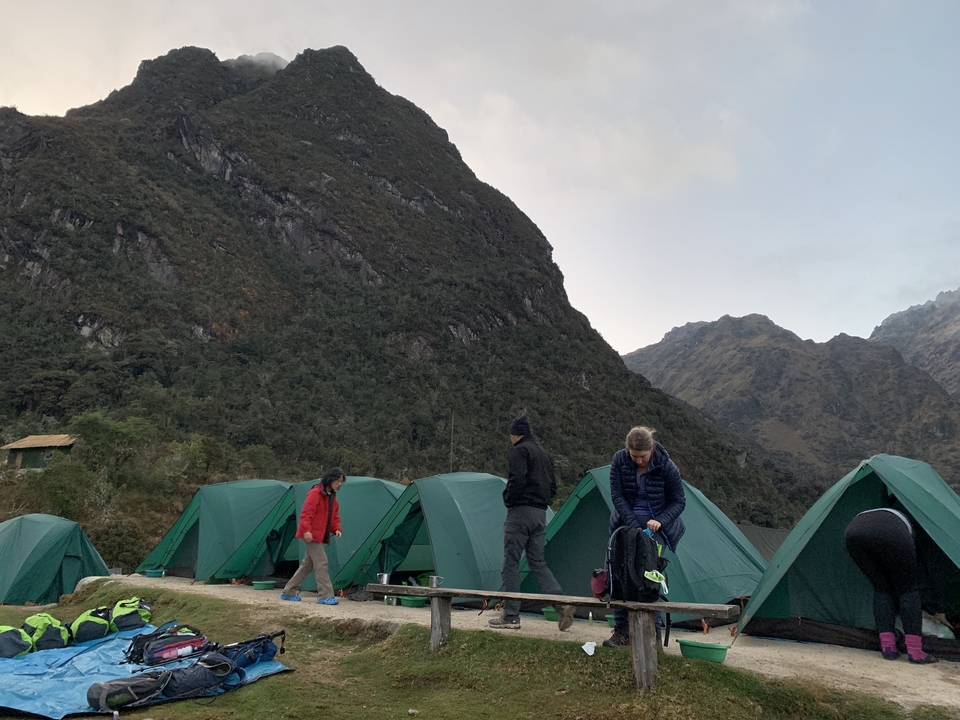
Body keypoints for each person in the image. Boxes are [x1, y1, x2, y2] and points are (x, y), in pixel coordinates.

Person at [489, 414, 575, 631]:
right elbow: (553, 486)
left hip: (520, 514)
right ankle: (562, 604)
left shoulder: (519, 451)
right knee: (537, 563)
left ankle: (511, 616)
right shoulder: (544, 455)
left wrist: (509, 500)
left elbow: (517, 479)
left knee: (511, 563)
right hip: (540, 514)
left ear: (515, 434)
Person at [603, 426, 686, 648]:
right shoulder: (619, 461)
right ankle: (622, 632)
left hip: (656, 527)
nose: (639, 461)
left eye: (643, 456)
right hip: (625, 523)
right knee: (618, 573)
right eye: (634, 456)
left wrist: (660, 520)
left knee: (649, 577)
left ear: (652, 449)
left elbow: (679, 501)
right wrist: (632, 525)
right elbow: (617, 496)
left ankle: (652, 635)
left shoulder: (667, 467)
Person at [844, 507, 937, 664]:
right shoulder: (913, 529)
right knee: (909, 589)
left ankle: (888, 648)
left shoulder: (882, 513)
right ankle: (915, 651)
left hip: (854, 531)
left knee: (881, 588)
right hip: (891, 531)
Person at [280, 468, 345, 605]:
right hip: (311, 535)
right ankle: (325, 595)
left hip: (319, 536)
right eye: (338, 481)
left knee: (307, 565)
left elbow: (334, 517)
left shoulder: (332, 497)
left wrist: (337, 528)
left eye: (341, 482)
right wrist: (307, 531)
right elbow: (306, 514)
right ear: (331, 479)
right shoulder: (315, 493)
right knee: (322, 562)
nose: (340, 484)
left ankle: (288, 591)